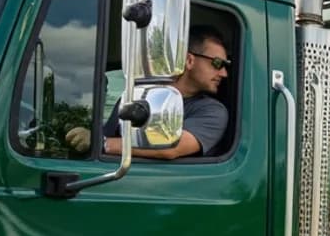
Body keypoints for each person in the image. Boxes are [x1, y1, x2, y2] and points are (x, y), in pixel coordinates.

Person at [76, 25, 232, 160]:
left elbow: (171, 148)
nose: (224, 74)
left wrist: (100, 143)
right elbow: (108, 134)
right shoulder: (137, 96)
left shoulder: (212, 111)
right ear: (189, 60)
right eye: (218, 64)